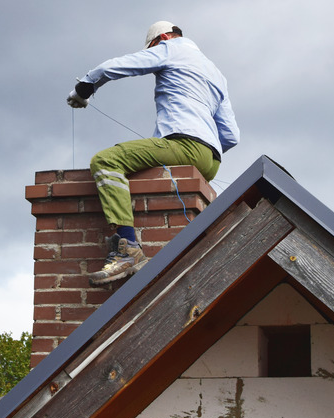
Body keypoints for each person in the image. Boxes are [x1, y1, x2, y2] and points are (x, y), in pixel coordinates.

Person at [67, 20, 240, 285]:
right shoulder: (216, 73)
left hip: (184, 145)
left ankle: (128, 249)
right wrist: (202, 150)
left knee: (106, 160)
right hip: (211, 159)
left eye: (153, 47)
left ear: (162, 38)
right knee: (146, 160)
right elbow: (231, 136)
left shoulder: (171, 48)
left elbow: (113, 67)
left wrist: (84, 88)